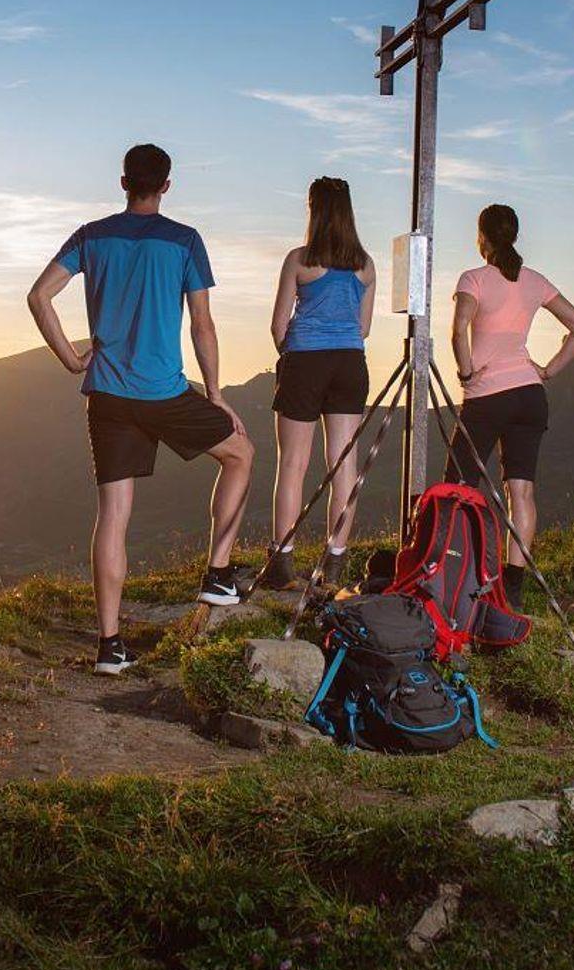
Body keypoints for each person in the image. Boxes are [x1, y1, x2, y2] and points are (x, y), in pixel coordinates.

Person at [27, 144, 256, 675]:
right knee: (241, 454)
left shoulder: (91, 236)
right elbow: (202, 325)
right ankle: (218, 574)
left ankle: (110, 647)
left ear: (123, 182)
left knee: (113, 516)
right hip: (164, 393)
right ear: (166, 186)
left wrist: (71, 359)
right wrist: (215, 393)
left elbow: (39, 297)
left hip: (108, 394)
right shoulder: (184, 240)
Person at [445, 203, 574, 610]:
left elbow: (458, 330)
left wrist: (466, 373)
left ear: (482, 238)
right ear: (514, 235)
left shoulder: (473, 279)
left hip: (487, 395)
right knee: (521, 490)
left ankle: (455, 573)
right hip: (529, 395)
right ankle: (512, 586)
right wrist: (548, 371)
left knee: (458, 486)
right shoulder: (534, 281)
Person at [261, 177, 375, 593]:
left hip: (305, 361)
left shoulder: (299, 260)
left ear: (313, 210)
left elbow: (278, 326)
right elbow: (363, 328)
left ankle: (282, 566)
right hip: (350, 363)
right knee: (344, 465)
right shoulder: (365, 265)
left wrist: (293, 354)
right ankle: (335, 566)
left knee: (293, 464)